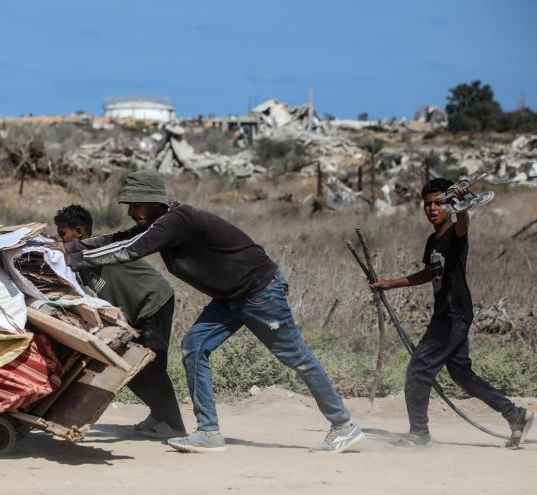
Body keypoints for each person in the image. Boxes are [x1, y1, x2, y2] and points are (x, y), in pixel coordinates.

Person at [62, 170, 364, 453]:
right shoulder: (160, 224)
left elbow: (131, 249)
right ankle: (209, 432)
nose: (131, 212)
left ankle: (343, 425)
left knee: (297, 357)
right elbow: (121, 238)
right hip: (231, 296)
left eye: (135, 204)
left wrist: (76, 259)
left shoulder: (176, 221)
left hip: (259, 292)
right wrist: (74, 249)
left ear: (155, 201)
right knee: (194, 345)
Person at [371, 178, 536, 447]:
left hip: (454, 314)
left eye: (439, 202)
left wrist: (460, 205)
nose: (432, 208)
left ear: (450, 204)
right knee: (461, 375)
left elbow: (463, 224)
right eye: (428, 204)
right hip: (446, 314)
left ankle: (419, 435)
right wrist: (389, 284)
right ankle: (516, 415)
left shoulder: (456, 233)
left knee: (419, 369)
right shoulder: (433, 240)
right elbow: (428, 273)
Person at [54, 204, 186, 438]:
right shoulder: (78, 263)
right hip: (134, 312)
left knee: (153, 367)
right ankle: (159, 414)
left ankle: (174, 425)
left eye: (63, 233)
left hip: (153, 302)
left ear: (80, 233)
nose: (60, 238)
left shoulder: (99, 250)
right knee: (128, 369)